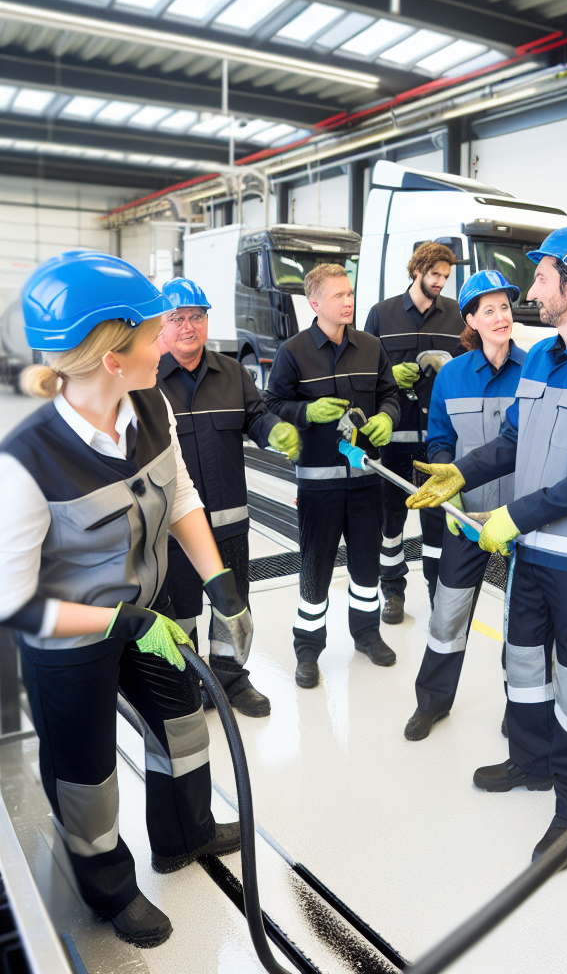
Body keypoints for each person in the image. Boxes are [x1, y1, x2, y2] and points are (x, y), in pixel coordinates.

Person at [0, 251, 248, 947]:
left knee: (184, 724)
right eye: (153, 330)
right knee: (88, 774)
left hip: (144, 616)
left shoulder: (149, 402)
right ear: (114, 355)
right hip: (68, 638)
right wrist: (123, 620)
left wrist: (221, 584)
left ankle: (184, 835)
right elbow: (14, 604)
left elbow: (183, 497)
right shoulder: (24, 463)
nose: (168, 337)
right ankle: (109, 890)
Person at [407, 227, 567, 866]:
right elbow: (514, 441)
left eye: (542, 277)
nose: (531, 290)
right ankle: (530, 759)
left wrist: (512, 516)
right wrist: (460, 473)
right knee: (522, 659)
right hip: (534, 549)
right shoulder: (541, 358)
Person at [158, 278, 299, 718]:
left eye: (196, 317)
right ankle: (186, 685)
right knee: (179, 613)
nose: (187, 327)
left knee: (232, 606)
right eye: (176, 318)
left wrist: (272, 429)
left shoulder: (232, 372)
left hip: (230, 522)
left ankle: (231, 680)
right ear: (160, 326)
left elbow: (255, 416)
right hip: (174, 530)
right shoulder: (147, 382)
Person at [264, 263, 401, 688]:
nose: (348, 301)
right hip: (319, 487)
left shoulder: (371, 347)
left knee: (366, 566)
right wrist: (306, 412)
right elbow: (271, 406)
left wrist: (387, 418)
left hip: (365, 481)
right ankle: (308, 650)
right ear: (315, 303)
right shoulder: (293, 352)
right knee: (315, 568)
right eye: (339, 295)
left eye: (350, 293)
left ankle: (366, 634)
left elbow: (390, 394)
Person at [404, 270, 527, 741]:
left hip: (520, 519)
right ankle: (431, 704)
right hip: (466, 516)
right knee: (447, 615)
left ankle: (520, 710)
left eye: (506, 308)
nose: (501, 317)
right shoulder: (452, 376)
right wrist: (450, 492)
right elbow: (440, 440)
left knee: (523, 624)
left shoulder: (535, 368)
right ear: (471, 319)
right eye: (489, 309)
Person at [364, 242, 465, 624]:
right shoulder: (382, 314)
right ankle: (392, 591)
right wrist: (392, 375)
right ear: (417, 271)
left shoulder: (456, 315)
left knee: (437, 517)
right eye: (435, 274)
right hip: (393, 437)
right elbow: (366, 372)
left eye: (445, 276)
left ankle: (438, 591)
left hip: (438, 438)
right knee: (391, 521)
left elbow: (468, 362)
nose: (440, 282)